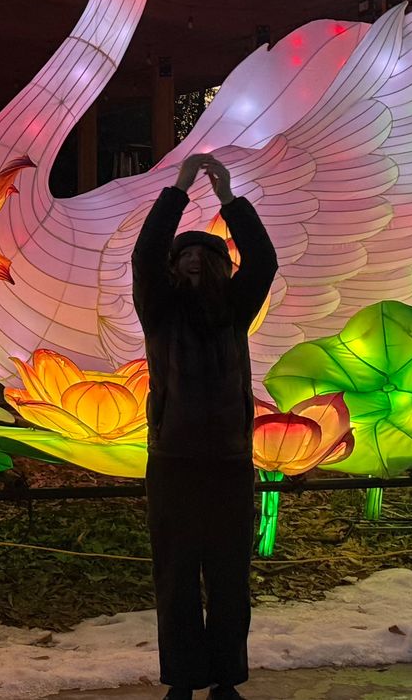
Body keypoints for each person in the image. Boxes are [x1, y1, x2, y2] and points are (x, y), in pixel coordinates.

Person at [131, 154, 277, 700]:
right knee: (175, 576)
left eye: (206, 253)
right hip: (172, 459)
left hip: (230, 461)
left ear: (222, 267)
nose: (194, 259)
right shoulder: (160, 310)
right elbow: (146, 255)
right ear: (174, 268)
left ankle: (226, 679)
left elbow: (263, 261)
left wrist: (229, 199)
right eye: (185, 254)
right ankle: (182, 680)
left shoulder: (236, 309)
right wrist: (179, 188)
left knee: (229, 576)